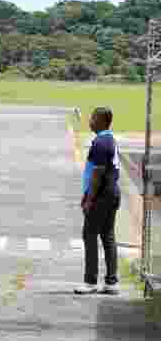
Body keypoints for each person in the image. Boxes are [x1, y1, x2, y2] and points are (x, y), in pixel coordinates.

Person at [75, 107, 121, 295]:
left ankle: (90, 281)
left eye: (93, 118)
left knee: (89, 235)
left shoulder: (101, 142)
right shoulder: (110, 139)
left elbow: (98, 173)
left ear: (102, 120)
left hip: (101, 196)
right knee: (108, 237)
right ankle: (111, 282)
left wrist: (89, 199)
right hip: (111, 194)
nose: (90, 121)